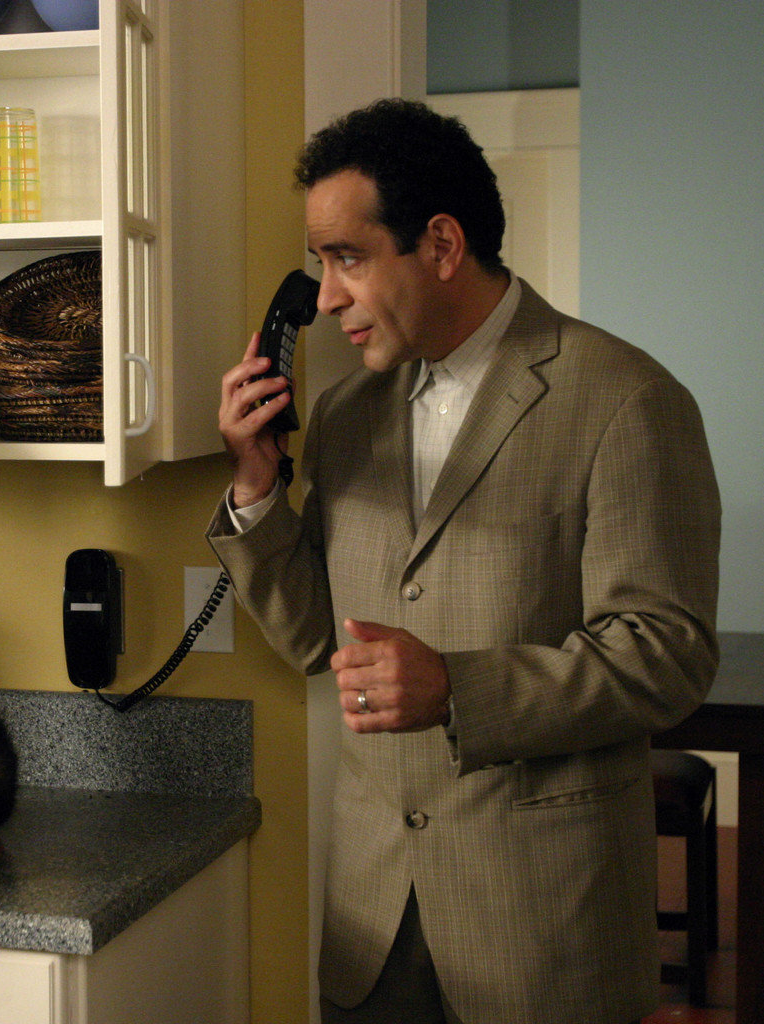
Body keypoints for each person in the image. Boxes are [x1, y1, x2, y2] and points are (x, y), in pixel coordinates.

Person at [207, 98, 720, 1023]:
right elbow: (316, 637)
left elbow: (666, 654)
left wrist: (459, 689)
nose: (323, 299)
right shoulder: (346, 416)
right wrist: (255, 487)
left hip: (544, 929)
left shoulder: (628, 400)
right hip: (372, 927)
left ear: (442, 245)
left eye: (348, 258)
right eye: (319, 264)